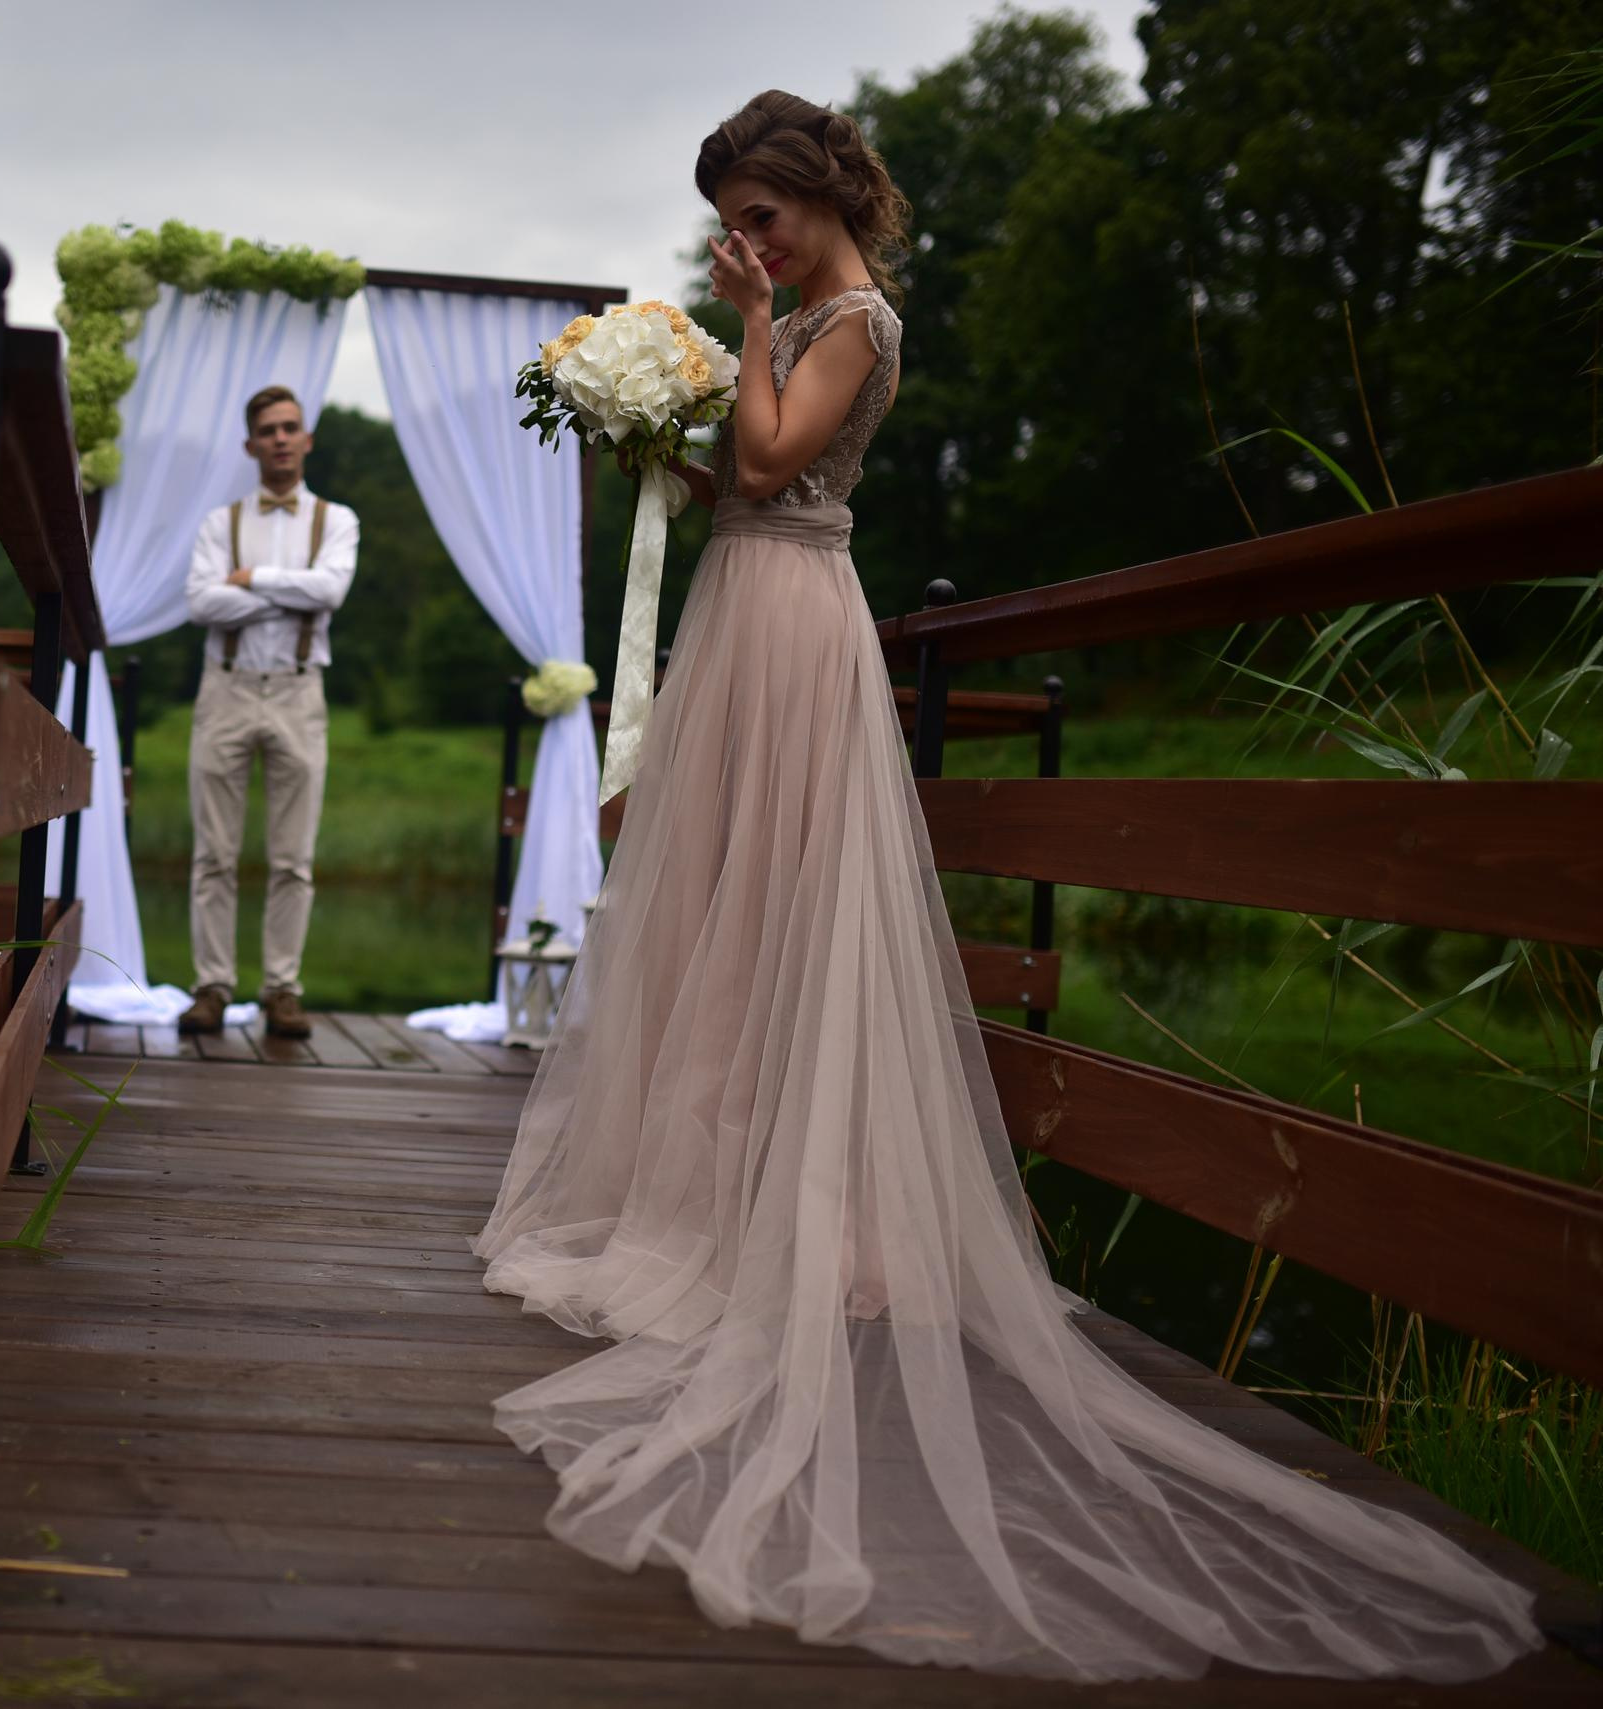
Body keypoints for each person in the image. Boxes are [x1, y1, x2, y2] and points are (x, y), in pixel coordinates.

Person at [474, 90, 1542, 1682]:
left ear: (820, 198)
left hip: (801, 627)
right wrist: (652, 445)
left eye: (762, 215)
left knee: (783, 907)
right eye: (733, 225)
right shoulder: (796, 308)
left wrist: (746, 333)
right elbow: (737, 486)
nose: (744, 245)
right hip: (741, 615)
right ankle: (691, 1197)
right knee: (713, 911)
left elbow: (774, 456)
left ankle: (793, 1221)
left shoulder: (853, 318)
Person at [176, 386, 359, 1040]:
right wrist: (292, 593)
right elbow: (200, 605)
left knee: (293, 858)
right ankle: (212, 987)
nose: (280, 438)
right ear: (251, 445)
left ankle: (282, 987)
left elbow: (331, 590)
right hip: (223, 690)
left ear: (306, 439)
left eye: (290, 427)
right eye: (268, 430)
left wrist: (248, 580)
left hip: (299, 691)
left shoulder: (337, 520)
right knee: (213, 854)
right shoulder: (216, 523)